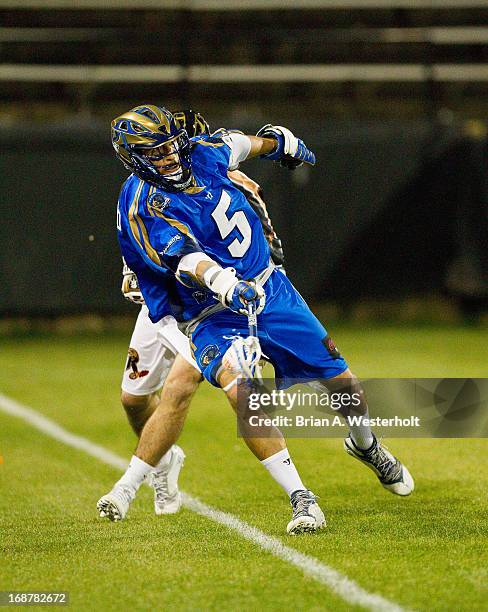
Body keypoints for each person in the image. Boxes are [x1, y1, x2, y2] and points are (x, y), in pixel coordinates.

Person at [98, 105, 414, 534]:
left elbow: (242, 143)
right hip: (206, 311)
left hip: (269, 290)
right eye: (157, 152)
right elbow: (185, 259)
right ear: (134, 158)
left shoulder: (203, 152)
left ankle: (366, 446)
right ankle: (302, 499)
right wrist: (225, 285)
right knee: (242, 393)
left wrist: (278, 142)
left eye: (171, 144)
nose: (171, 156)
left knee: (342, 383)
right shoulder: (142, 204)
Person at [117, 111, 286, 516]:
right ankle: (162, 459)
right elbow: (146, 233)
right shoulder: (142, 188)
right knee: (132, 400)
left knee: (181, 389)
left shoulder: (221, 174)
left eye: (177, 145)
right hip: (168, 299)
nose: (173, 155)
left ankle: (299, 494)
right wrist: (133, 270)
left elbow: (262, 238)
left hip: (212, 303)